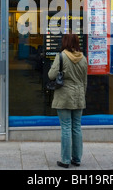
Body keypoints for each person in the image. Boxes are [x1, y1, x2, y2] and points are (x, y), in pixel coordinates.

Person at [48, 33, 88, 168]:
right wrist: (82, 94)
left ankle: (65, 160)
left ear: (64, 42)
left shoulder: (61, 56)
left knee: (66, 127)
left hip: (64, 95)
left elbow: (51, 75)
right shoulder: (83, 58)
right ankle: (76, 159)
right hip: (79, 95)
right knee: (76, 127)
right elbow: (84, 80)